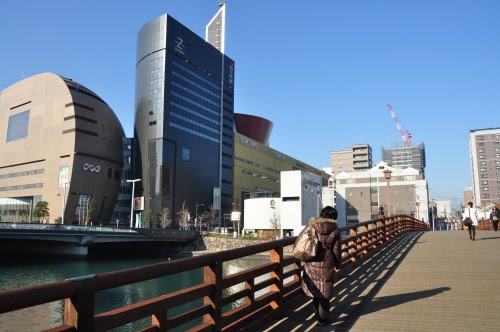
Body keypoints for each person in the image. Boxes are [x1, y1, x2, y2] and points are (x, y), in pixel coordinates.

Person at [301, 206, 342, 326]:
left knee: (315, 290)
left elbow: (301, 239)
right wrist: (338, 264)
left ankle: (317, 316)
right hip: (327, 262)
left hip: (312, 261)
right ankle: (323, 319)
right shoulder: (335, 230)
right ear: (334, 217)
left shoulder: (312, 226)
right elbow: (337, 251)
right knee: (325, 292)